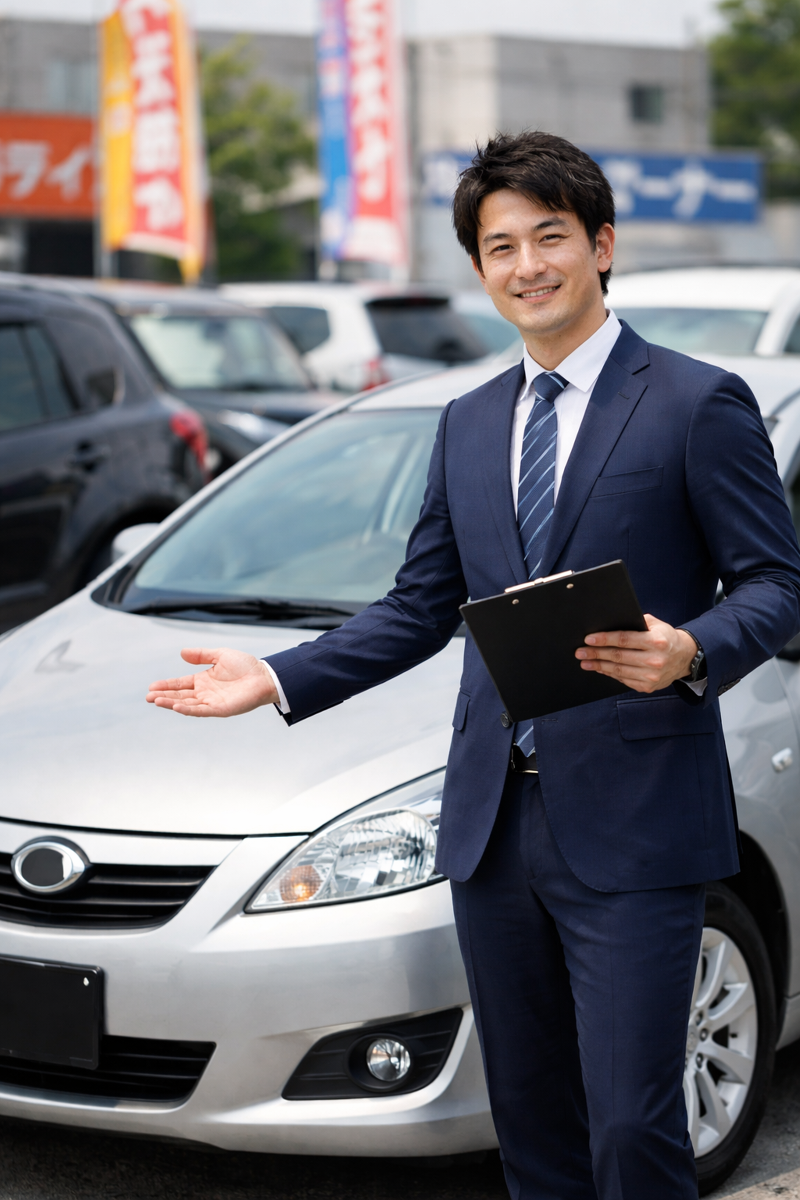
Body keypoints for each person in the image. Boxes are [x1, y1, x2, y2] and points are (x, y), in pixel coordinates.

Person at [146, 132, 800, 1200]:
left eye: (549, 237)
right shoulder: (466, 420)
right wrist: (274, 679)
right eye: (500, 247)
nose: (526, 265)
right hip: (493, 827)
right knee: (531, 1124)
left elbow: (775, 584)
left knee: (635, 1127)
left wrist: (691, 649)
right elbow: (417, 608)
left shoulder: (693, 401)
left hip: (636, 823)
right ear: (479, 267)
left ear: (600, 244)